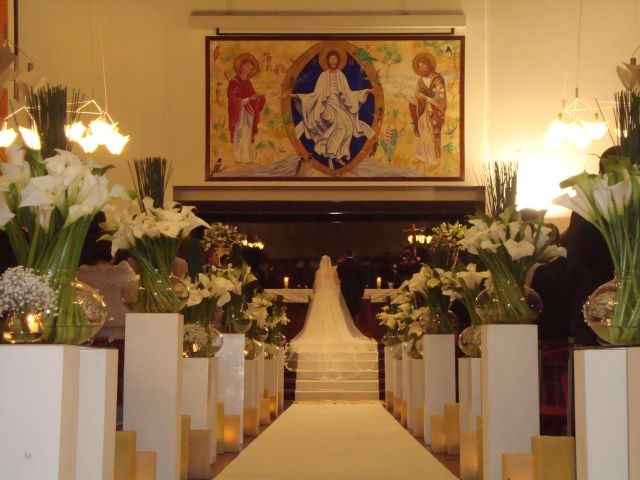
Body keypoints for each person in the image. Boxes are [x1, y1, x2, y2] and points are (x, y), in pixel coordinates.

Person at [288, 255, 376, 379]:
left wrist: (319, 291)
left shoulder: (318, 272)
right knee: (334, 317)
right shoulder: (334, 271)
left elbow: (315, 286)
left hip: (321, 297)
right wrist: (334, 289)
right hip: (330, 296)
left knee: (319, 318)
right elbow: (338, 283)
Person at [290, 50, 376, 168]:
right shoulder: (323, 76)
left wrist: (367, 91)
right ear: (327, 61)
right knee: (341, 127)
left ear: (339, 61)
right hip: (326, 107)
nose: (333, 61)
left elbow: (348, 94)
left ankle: (338, 156)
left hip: (339, 107)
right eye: (331, 58)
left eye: (335, 58)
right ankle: (331, 156)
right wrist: (295, 96)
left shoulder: (341, 75)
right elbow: (315, 95)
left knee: (349, 127)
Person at [407, 52, 447, 168]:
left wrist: (425, 97)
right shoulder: (420, 80)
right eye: (419, 66)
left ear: (430, 64)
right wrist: (414, 99)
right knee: (421, 133)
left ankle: (434, 161)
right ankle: (422, 157)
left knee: (431, 136)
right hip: (422, 110)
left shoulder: (437, 80)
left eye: (424, 65)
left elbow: (439, 99)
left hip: (433, 112)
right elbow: (418, 95)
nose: (422, 68)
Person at [227, 53, 265, 164]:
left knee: (247, 134)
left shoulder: (248, 82)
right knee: (240, 133)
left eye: (251, 68)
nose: (249, 69)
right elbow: (232, 99)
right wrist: (249, 99)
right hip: (239, 112)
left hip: (249, 112)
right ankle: (239, 158)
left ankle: (247, 157)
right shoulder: (234, 82)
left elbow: (252, 95)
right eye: (247, 67)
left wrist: (259, 97)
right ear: (242, 67)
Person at [336, 248, 365, 323]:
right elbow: (361, 279)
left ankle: (347, 326)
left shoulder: (341, 265)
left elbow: (339, 277)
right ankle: (356, 326)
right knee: (356, 310)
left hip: (345, 290)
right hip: (356, 290)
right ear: (354, 253)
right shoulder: (358, 264)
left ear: (345, 254)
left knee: (346, 309)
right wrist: (362, 291)